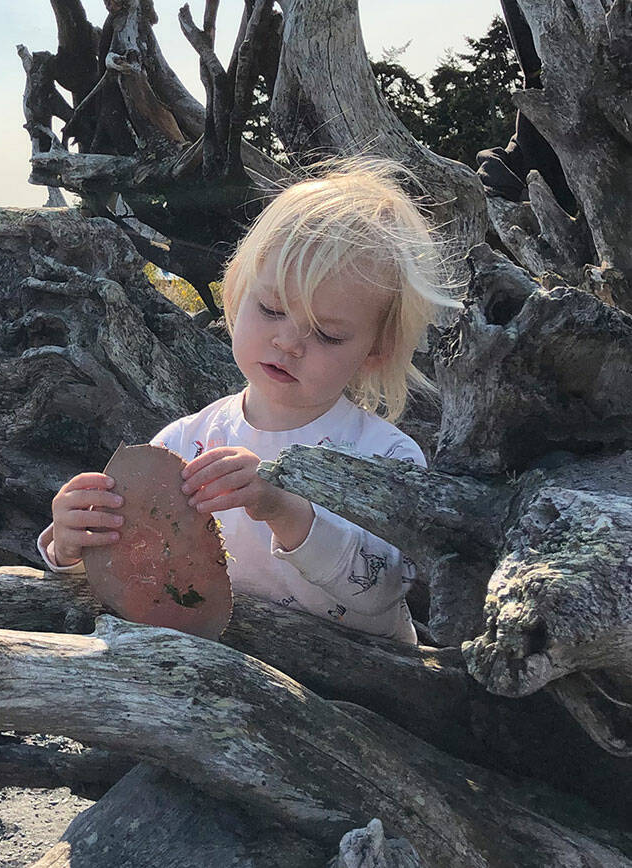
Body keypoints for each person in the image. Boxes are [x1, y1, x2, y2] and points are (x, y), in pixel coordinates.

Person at [39, 160, 455, 643]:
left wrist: (281, 507)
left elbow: (381, 588)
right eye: (272, 309)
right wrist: (70, 546)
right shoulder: (183, 442)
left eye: (327, 334)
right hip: (230, 672)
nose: (288, 343)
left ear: (375, 351)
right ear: (236, 290)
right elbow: (139, 583)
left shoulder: (387, 457)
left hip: (370, 685)